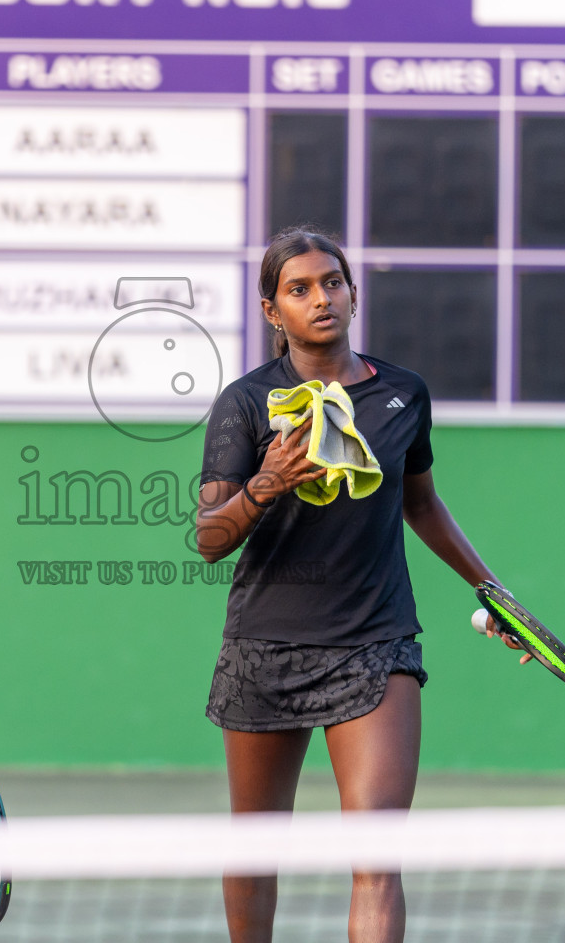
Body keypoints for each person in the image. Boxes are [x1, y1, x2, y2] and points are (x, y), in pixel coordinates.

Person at [195, 227, 526, 943]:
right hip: (265, 648)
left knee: (376, 856)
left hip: (376, 645)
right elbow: (209, 538)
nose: (322, 298)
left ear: (354, 293)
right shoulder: (245, 404)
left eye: (333, 283)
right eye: (300, 288)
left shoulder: (404, 393)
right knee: (255, 852)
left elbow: (421, 505)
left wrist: (491, 590)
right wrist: (267, 483)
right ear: (271, 310)